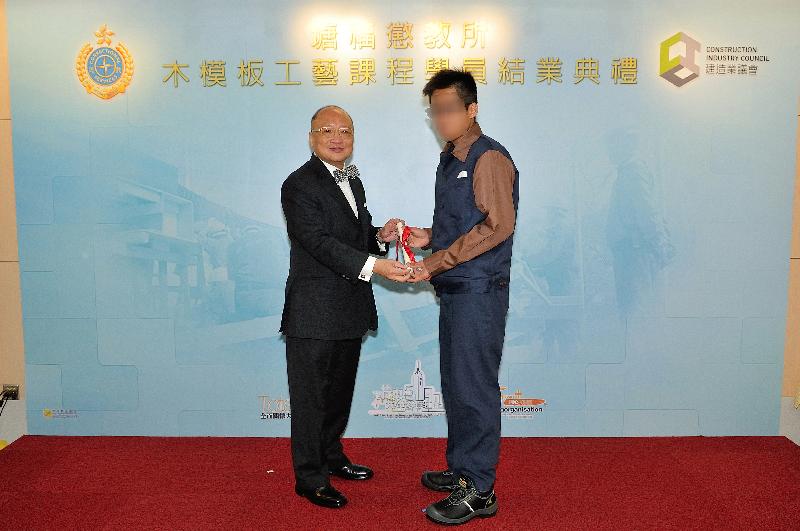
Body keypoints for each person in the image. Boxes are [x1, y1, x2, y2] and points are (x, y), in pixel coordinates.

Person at [280, 104, 411, 509]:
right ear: (311, 138)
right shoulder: (299, 185)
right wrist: (377, 264)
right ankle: (310, 478)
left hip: (348, 307)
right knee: (311, 400)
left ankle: (332, 458)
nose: (337, 139)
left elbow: (354, 238)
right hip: (314, 312)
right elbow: (318, 242)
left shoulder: (353, 182)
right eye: (327, 131)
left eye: (345, 132)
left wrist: (378, 236)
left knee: (338, 394)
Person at [406, 69, 519, 525]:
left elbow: (497, 226)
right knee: (456, 381)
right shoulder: (452, 158)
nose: (441, 119)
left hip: (478, 289)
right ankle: (462, 470)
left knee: (472, 385)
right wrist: (427, 237)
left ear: (472, 109)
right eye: (434, 110)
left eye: (449, 109)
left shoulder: (488, 157)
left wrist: (432, 262)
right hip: (457, 287)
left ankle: (480, 490)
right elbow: (463, 225)